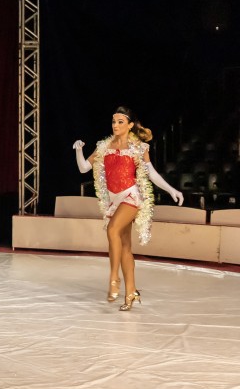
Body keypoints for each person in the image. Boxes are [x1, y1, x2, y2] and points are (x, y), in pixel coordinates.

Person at [73, 106, 183, 311]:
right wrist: (79, 149)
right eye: (113, 121)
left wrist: (171, 190)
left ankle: (114, 279)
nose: (115, 125)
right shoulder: (104, 146)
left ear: (130, 125)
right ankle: (131, 292)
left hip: (131, 196)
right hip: (113, 200)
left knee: (112, 230)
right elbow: (83, 168)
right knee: (124, 246)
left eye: (120, 121)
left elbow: (152, 174)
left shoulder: (139, 148)